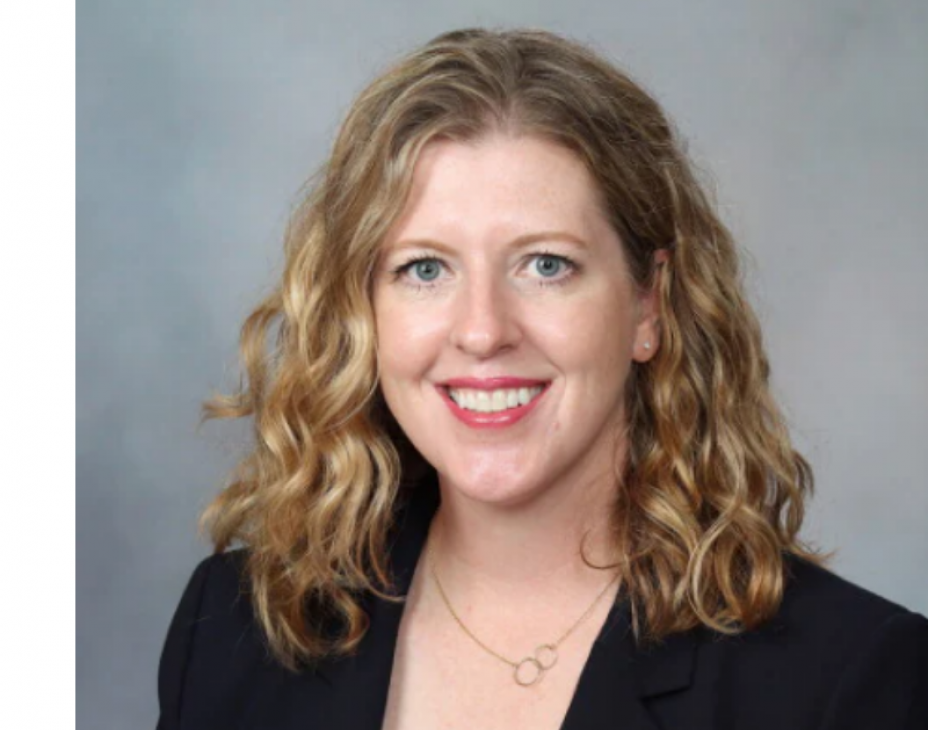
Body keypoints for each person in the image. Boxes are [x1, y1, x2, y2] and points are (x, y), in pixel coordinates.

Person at [156, 28, 928, 730]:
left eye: (546, 265)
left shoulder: (850, 681)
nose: (484, 329)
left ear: (647, 303)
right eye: (424, 269)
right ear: (362, 310)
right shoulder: (230, 632)